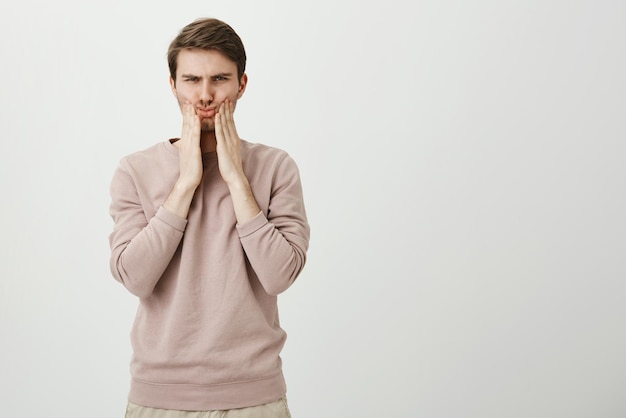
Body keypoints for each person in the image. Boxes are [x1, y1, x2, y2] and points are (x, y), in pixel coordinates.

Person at [108, 17, 310, 417]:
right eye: (191, 80)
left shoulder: (275, 167)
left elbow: (280, 275)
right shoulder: (135, 170)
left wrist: (236, 177)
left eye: (219, 79)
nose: (205, 95)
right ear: (172, 85)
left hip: (254, 397)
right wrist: (185, 184)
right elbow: (134, 277)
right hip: (159, 397)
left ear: (241, 85)